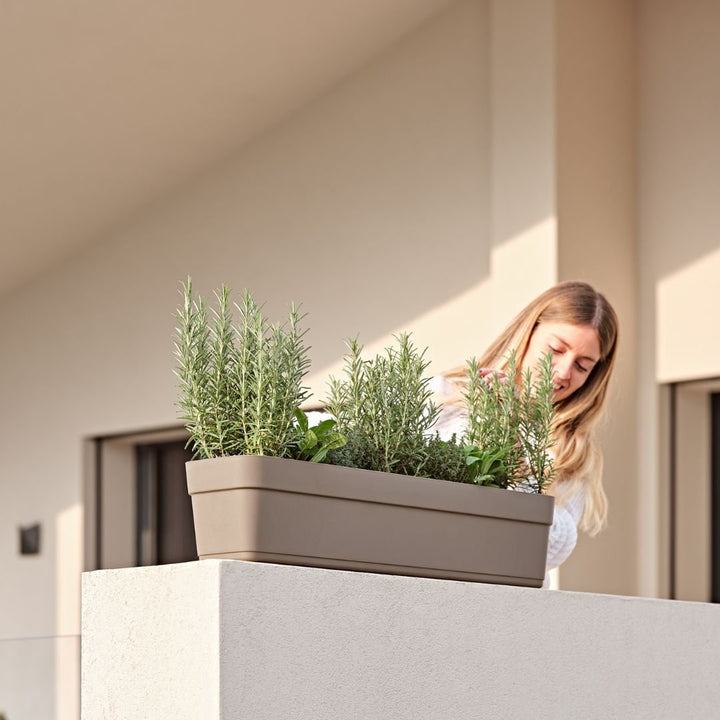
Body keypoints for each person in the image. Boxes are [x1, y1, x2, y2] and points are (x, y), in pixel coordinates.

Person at [431, 280, 619, 586]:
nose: (562, 373)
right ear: (527, 332)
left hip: (510, 612)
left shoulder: (571, 449)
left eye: (583, 366)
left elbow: (546, 550)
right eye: (556, 350)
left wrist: (515, 450)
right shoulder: (446, 396)